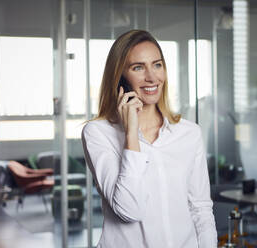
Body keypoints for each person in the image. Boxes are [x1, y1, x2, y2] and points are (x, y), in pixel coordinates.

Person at [82, 29, 217, 248]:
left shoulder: (189, 133)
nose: (152, 77)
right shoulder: (98, 133)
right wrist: (131, 134)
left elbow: (201, 209)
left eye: (157, 64)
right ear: (120, 78)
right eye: (138, 67)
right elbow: (129, 210)